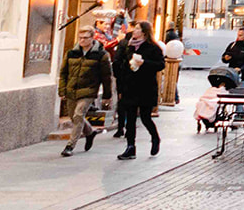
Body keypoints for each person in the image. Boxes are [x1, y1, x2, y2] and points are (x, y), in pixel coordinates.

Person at [58, 28, 112, 156]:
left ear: (92, 38)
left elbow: (106, 76)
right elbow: (63, 73)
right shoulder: (71, 53)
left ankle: (70, 145)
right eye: (80, 37)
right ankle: (89, 132)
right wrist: (62, 90)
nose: (82, 40)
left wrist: (107, 95)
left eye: (85, 38)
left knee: (78, 115)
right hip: (71, 90)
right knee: (74, 117)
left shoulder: (101, 55)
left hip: (89, 90)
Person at [116, 21, 165, 160]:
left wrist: (144, 63)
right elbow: (122, 64)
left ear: (144, 32)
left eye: (137, 29)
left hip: (146, 87)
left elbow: (160, 65)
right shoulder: (129, 46)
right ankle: (130, 147)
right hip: (130, 87)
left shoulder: (153, 48)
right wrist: (121, 85)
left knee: (145, 117)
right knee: (130, 119)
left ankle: (155, 138)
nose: (134, 31)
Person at [160, 29, 185, 107]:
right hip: (176, 60)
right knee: (173, 80)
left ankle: (174, 97)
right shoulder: (176, 37)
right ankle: (175, 97)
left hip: (170, 60)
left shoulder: (169, 36)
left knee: (170, 79)